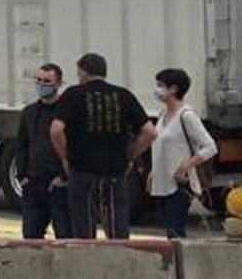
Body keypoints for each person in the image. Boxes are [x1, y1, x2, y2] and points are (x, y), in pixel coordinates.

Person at [50, 53, 155, 241]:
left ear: (82, 72)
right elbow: (150, 132)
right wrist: (129, 155)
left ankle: (88, 262)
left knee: (84, 225)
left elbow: (56, 130)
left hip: (82, 170)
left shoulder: (73, 94)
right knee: (117, 226)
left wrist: (65, 157)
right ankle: (120, 262)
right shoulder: (123, 95)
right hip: (115, 171)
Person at [149, 68, 216, 240]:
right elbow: (160, 146)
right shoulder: (163, 114)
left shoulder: (187, 116)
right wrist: (152, 173)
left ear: (174, 89)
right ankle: (174, 264)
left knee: (175, 232)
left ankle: (180, 264)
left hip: (180, 184)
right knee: (170, 232)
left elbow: (210, 147)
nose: (156, 89)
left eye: (160, 85)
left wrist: (188, 164)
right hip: (162, 182)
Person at [15, 63, 72, 240]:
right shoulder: (29, 112)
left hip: (58, 185)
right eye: (38, 80)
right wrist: (22, 175)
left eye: (47, 81)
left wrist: (64, 176)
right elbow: (22, 145)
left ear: (58, 83)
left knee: (64, 235)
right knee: (30, 236)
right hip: (33, 183)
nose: (41, 84)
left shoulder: (68, 111)